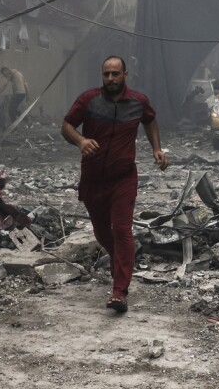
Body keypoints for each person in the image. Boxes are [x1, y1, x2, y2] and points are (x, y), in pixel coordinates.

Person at [62, 56, 169, 314]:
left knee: (121, 230)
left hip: (124, 178)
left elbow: (150, 120)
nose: (110, 79)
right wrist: (80, 141)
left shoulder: (138, 102)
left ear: (125, 75)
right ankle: (124, 259)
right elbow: (66, 125)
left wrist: (157, 149)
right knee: (102, 232)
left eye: (115, 74)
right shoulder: (88, 100)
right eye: (106, 74)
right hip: (93, 178)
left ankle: (120, 291)